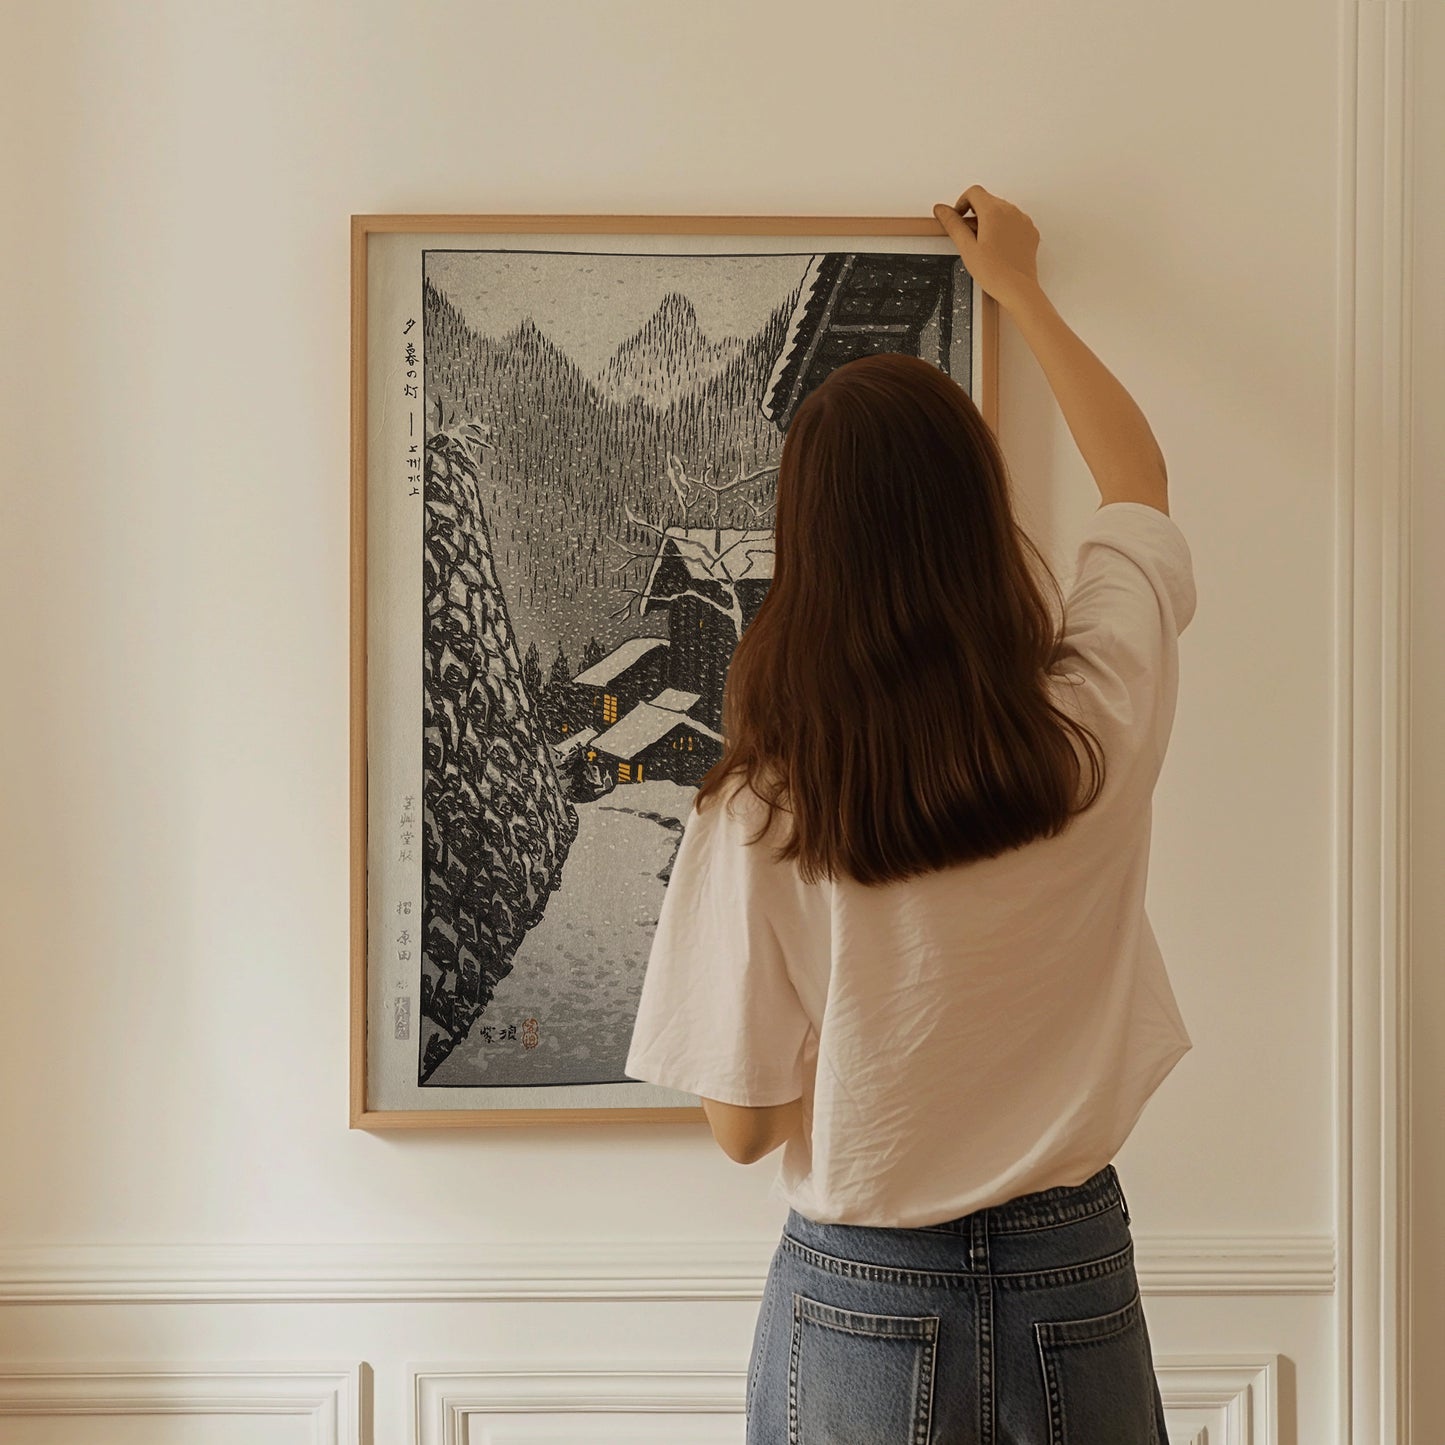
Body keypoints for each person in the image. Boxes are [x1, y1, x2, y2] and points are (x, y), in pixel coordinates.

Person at [624, 184, 1191, 1444]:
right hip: (1072, 1273)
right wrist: (1022, 290)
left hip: (861, 1297)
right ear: (979, 518)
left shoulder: (765, 805)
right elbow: (1137, 483)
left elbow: (741, 1125)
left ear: (805, 551)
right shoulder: (1091, 716)